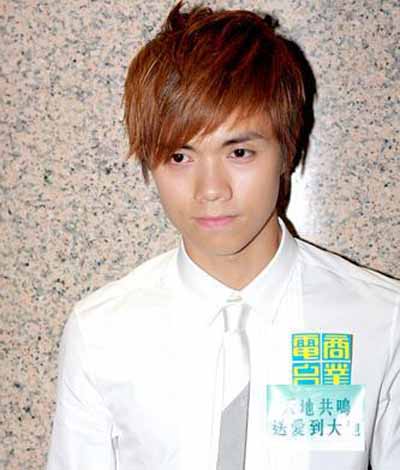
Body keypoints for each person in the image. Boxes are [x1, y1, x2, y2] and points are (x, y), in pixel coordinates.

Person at [46, 2, 400, 469]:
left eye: (239, 152)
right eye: (179, 157)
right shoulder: (102, 333)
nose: (210, 189)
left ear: (287, 150)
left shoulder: (381, 319)